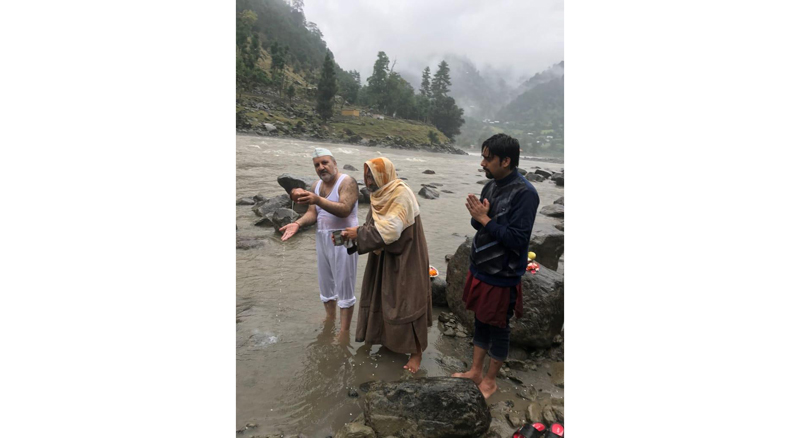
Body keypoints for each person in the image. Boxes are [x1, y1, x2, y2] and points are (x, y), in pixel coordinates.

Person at [452, 134, 539, 398]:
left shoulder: (526, 194)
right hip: (481, 267)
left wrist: (484, 219)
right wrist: (478, 218)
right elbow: (480, 224)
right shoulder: (491, 186)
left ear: (506, 160)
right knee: (480, 320)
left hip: (503, 273)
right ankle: (476, 371)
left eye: (488, 159)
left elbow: (518, 239)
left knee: (499, 327)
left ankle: (490, 380)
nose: (482, 164)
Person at [340, 157, 432, 373]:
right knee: (383, 298)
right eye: (366, 176)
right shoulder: (379, 196)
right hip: (383, 256)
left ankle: (416, 352)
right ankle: (390, 341)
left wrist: (360, 234)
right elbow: (374, 225)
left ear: (385, 174)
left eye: (372, 175)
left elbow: (391, 230)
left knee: (406, 301)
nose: (368, 181)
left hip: (406, 256)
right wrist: (353, 237)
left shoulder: (400, 193)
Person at [279, 147, 360, 341]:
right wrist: (297, 223)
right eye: (317, 165)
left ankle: (344, 332)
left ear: (334, 163)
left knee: (345, 287)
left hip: (344, 239)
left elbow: (344, 210)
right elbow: (312, 214)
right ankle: (330, 318)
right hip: (322, 238)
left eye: (325, 163)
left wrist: (318, 199)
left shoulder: (347, 182)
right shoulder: (316, 185)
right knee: (326, 285)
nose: (321, 167)